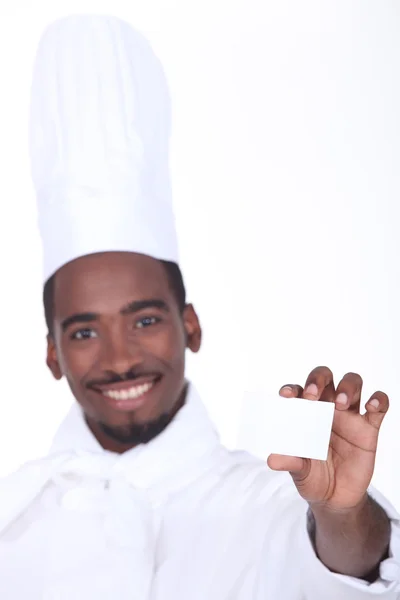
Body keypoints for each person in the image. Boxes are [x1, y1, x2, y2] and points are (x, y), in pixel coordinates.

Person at [0, 14, 398, 600]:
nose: (119, 359)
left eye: (144, 320)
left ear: (190, 325)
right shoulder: (16, 520)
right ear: (52, 354)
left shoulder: (263, 500)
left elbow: (345, 561)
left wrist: (342, 511)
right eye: (84, 333)